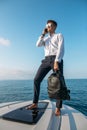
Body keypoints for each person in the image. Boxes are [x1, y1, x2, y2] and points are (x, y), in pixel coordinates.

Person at [28, 20, 64, 116]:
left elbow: (61, 48)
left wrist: (57, 61)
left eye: (50, 25)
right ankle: (35, 103)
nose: (48, 27)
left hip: (56, 59)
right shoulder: (46, 38)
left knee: (58, 83)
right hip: (46, 60)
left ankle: (58, 108)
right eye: (47, 26)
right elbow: (38, 44)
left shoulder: (59, 35)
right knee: (36, 80)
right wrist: (43, 34)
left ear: (55, 27)